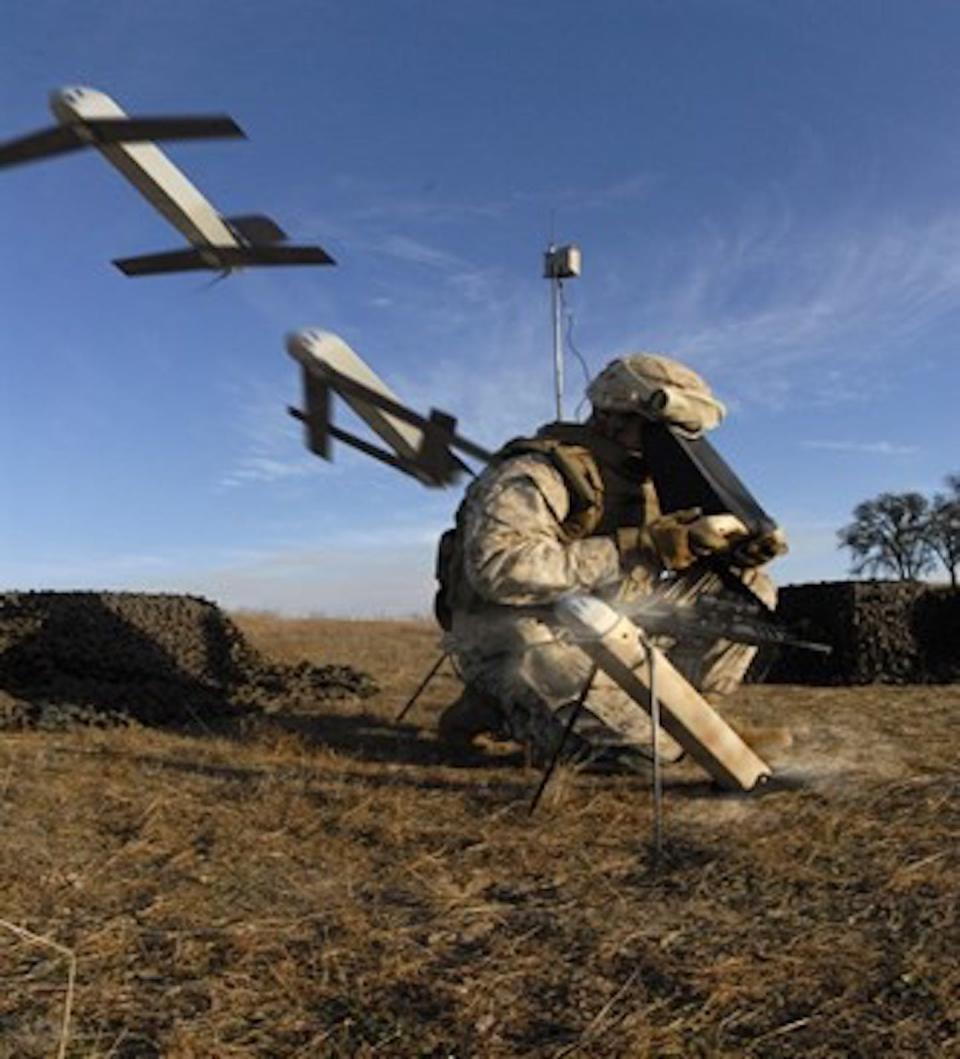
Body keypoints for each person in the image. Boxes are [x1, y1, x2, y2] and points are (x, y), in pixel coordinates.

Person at [433, 352, 789, 769]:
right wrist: (641, 546)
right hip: (518, 633)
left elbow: (671, 562)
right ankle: (492, 703)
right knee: (644, 754)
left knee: (749, 586)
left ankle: (698, 720)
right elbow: (501, 568)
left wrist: (730, 553)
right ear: (615, 416)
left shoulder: (648, 480)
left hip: (611, 622)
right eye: (663, 430)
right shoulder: (538, 472)